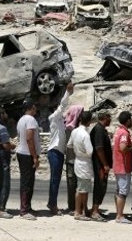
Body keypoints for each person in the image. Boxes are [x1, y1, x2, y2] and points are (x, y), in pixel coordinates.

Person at [47, 82, 73, 215]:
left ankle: (52, 203)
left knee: (55, 179)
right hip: (55, 152)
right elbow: (63, 106)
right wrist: (67, 93)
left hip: (58, 152)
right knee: (55, 180)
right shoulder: (54, 117)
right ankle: (53, 205)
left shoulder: (58, 120)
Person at [17, 100, 41, 220]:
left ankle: (27, 207)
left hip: (23, 153)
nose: (36, 108)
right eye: (35, 106)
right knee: (27, 182)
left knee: (28, 182)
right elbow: (29, 139)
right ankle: (24, 210)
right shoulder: (30, 119)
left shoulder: (21, 119)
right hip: (27, 154)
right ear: (31, 107)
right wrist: (35, 157)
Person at [68, 110, 93, 221]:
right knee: (81, 189)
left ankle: (84, 209)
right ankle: (78, 212)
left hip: (78, 161)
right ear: (89, 121)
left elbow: (69, 145)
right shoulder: (85, 135)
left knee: (84, 188)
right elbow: (90, 152)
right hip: (84, 163)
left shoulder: (74, 131)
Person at [90, 112, 113, 222]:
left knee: (102, 186)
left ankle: (96, 209)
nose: (111, 120)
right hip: (100, 164)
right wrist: (105, 164)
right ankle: (94, 211)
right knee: (100, 186)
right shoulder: (99, 129)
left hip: (101, 164)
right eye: (109, 117)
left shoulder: (101, 129)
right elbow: (99, 148)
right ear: (104, 117)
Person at [112, 111, 132, 224]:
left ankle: (118, 213)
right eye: (131, 119)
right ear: (128, 120)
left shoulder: (118, 131)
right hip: (123, 166)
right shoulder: (124, 133)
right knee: (123, 192)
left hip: (117, 165)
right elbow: (122, 148)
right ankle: (120, 216)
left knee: (118, 191)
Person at [64, 104, 85, 214]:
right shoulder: (69, 128)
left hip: (78, 160)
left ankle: (78, 206)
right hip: (72, 160)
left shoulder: (78, 128)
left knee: (79, 184)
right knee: (72, 185)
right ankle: (72, 207)